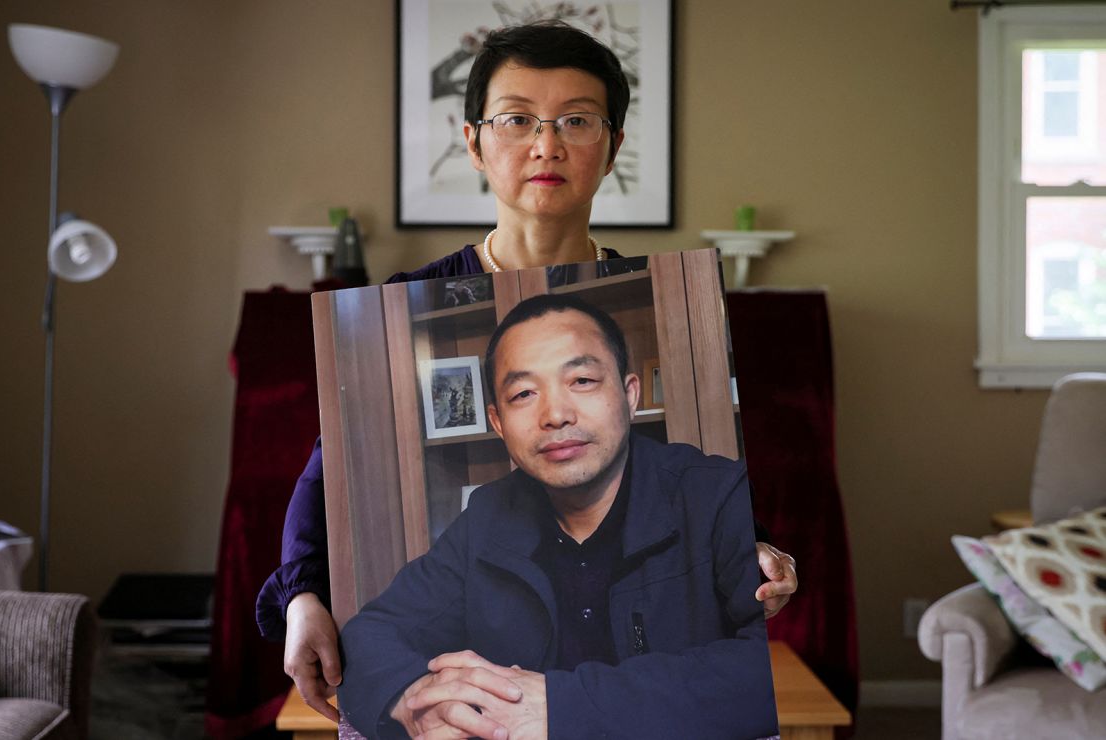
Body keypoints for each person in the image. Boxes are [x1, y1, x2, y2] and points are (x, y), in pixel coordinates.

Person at [255, 21, 798, 723]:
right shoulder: (404, 304)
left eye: (576, 120)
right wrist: (302, 600)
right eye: (517, 120)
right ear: (475, 142)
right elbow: (329, 472)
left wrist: (755, 561)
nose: (547, 145)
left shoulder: (675, 328)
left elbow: (735, 581)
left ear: (612, 148)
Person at [338, 293, 779, 740]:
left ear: (629, 396)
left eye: (582, 380)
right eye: (524, 393)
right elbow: (369, 635)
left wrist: (563, 705)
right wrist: (413, 696)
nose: (555, 415)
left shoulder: (715, 494)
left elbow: (774, 667)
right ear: (498, 422)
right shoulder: (488, 517)